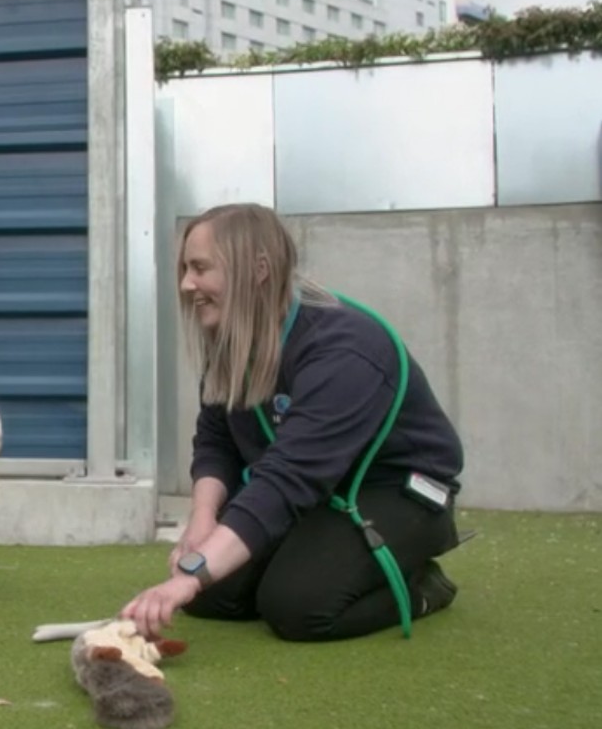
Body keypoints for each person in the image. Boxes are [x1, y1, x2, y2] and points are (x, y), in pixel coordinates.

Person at [120, 203, 463, 643]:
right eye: (185, 269)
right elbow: (216, 441)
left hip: (400, 491)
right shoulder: (234, 342)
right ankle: (309, 557)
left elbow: (288, 478)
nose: (187, 285)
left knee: (299, 607)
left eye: (200, 268)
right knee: (211, 597)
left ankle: (422, 586)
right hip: (318, 490)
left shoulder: (343, 349)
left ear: (258, 269)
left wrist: (187, 576)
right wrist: (201, 521)